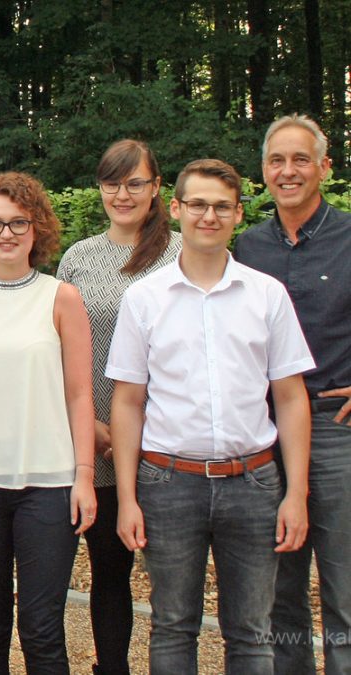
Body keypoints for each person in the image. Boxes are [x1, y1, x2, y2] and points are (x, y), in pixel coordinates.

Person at [108, 159, 313, 673]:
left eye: (222, 206)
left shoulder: (266, 294)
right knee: (173, 626)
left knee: (252, 632)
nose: (209, 215)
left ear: (239, 215)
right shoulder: (144, 298)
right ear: (175, 208)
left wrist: (296, 493)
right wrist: (128, 498)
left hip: (254, 482)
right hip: (168, 481)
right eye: (197, 204)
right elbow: (128, 402)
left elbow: (290, 397)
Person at [0, 171, 96, 673]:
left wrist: (85, 478)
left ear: (38, 228)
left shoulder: (62, 298)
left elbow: (78, 392)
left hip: (48, 485)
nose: (5, 234)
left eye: (17, 223)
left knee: (42, 628)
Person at [55, 139, 182, 675]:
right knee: (110, 574)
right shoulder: (79, 258)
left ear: (156, 189)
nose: (123, 194)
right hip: (97, 442)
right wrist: (93, 426)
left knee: (175, 587)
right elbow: (56, 346)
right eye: (113, 182)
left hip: (167, 443)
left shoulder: (182, 252)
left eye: (136, 183)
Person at [235, 115, 351, 674]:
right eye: (277, 161)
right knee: (279, 591)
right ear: (263, 172)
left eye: (300, 159)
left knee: (344, 586)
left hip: (336, 428)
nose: (288, 171)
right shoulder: (247, 247)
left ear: (324, 167)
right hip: (264, 432)